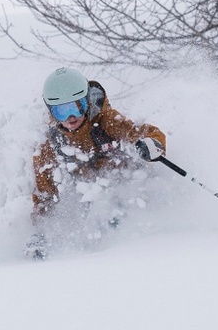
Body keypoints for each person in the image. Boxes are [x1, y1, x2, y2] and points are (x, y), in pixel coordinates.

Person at [28, 67, 166, 258]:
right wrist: (41, 232)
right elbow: (45, 191)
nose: (70, 118)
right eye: (61, 111)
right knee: (92, 220)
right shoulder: (50, 142)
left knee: (111, 214)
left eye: (76, 108)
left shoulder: (106, 120)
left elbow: (146, 133)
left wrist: (150, 145)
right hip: (88, 192)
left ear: (86, 101)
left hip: (125, 185)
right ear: (51, 112)